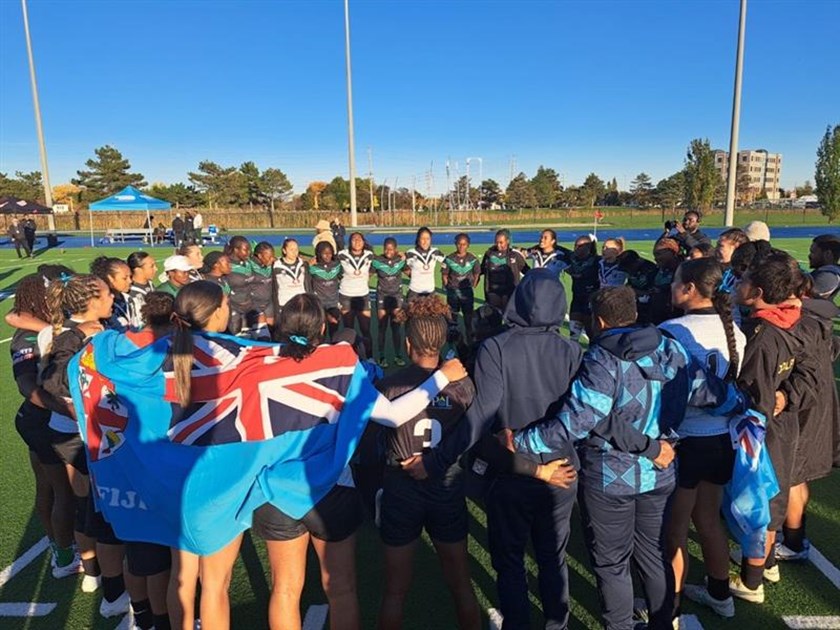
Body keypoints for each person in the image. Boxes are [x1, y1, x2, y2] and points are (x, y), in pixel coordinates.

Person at [179, 291, 466, 630]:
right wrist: (442, 377)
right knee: (341, 590)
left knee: (284, 590)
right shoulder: (340, 362)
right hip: (332, 489)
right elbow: (392, 415)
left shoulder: (257, 362)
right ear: (320, 330)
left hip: (274, 489)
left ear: (281, 327)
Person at [513, 285, 745, 630]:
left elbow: (578, 420)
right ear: (634, 314)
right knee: (653, 553)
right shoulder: (671, 347)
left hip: (610, 477)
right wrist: (743, 404)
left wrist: (522, 441)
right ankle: (662, 622)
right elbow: (708, 391)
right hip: (660, 470)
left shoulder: (602, 358)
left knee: (612, 563)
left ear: (599, 321)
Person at [403, 270, 584, 629]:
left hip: (510, 468)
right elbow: (583, 413)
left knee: (510, 559)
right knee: (553, 556)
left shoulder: (496, 347)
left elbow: (480, 415)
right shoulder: (572, 350)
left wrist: (436, 461)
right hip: (561, 468)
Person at [375, 296, 481, 630]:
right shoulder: (463, 386)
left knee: (395, 591)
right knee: (461, 583)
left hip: (400, 489)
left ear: (408, 344)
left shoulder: (389, 386)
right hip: (446, 486)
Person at [660, 258, 746, 621]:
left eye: (676, 281)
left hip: (686, 440)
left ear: (690, 288)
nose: (671, 287)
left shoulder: (672, 331)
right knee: (709, 519)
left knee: (675, 529)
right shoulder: (735, 331)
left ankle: (670, 608)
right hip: (722, 438)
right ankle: (720, 593)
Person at [40, 273, 131, 617]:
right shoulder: (77, 335)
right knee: (103, 510)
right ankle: (114, 589)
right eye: (106, 293)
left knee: (88, 504)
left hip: (79, 432)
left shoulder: (79, 329)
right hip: (86, 435)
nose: (112, 297)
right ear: (91, 301)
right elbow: (54, 381)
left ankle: (94, 575)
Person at [730, 251, 808, 603]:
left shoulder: (762, 336)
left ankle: (751, 582)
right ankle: (765, 564)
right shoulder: (787, 321)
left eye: (745, 280)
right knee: (769, 499)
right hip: (781, 425)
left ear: (758, 291)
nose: (738, 284)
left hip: (763, 431)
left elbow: (754, 394)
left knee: (759, 502)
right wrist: (786, 395)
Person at [9, 274, 78, 580]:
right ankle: (64, 554)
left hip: (39, 418)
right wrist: (63, 408)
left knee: (49, 486)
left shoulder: (46, 327)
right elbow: (27, 386)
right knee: (62, 490)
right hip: (40, 420)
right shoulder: (26, 338)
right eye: (49, 295)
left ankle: (58, 544)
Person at [122, 292, 176, 630]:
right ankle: (161, 620)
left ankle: (140, 614)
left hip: (125, 456)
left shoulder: (118, 345)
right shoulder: (171, 349)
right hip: (161, 455)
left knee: (136, 546)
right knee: (162, 558)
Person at [337, 232, 374, 357]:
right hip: (346, 296)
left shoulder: (369, 255)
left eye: (359, 239)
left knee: (366, 330)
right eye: (354, 239)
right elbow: (331, 266)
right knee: (349, 331)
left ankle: (369, 357)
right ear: (349, 242)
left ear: (363, 242)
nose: (357, 242)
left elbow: (376, 266)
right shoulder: (342, 255)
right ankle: (351, 358)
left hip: (363, 296)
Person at [372, 237, 407, 368]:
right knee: (382, 328)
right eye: (386, 248)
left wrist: (406, 257)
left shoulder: (400, 260)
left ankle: (398, 355)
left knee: (396, 328)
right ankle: (381, 356)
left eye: (391, 249)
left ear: (396, 249)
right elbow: (367, 274)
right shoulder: (377, 261)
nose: (388, 251)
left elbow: (411, 272)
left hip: (396, 297)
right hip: (382, 297)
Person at [442, 233, 481, 343]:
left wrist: (473, 284)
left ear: (468, 245)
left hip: (467, 292)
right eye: (459, 244)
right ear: (455, 244)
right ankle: (454, 343)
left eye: (464, 244)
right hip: (453, 292)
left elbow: (477, 273)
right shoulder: (449, 259)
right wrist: (448, 286)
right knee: (453, 319)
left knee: (468, 319)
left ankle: (470, 342)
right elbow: (444, 275)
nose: (461, 246)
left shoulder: (473, 259)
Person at [480, 229, 528, 311]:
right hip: (493, 294)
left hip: (510, 294)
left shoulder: (514, 255)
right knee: (494, 316)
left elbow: (526, 271)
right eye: (496, 242)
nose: (498, 245)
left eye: (501, 242)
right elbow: (481, 270)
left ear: (507, 241)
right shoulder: (489, 254)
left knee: (509, 317)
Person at [566, 235, 600, 341]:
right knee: (573, 334)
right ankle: (573, 350)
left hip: (590, 300)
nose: (576, 248)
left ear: (588, 247)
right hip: (577, 299)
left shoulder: (596, 261)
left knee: (591, 332)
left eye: (579, 246)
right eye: (575, 245)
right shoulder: (572, 258)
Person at [309, 241, 343, 340]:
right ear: (319, 253)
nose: (328, 255)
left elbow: (342, 276)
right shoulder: (313, 268)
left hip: (333, 303)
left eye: (330, 253)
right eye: (324, 253)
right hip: (319, 304)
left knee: (334, 331)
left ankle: (333, 348)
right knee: (320, 333)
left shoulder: (337, 265)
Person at [91, 256, 134, 331]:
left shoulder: (127, 298)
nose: (130, 281)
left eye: (130, 277)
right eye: (124, 278)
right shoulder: (105, 306)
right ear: (110, 278)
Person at [224, 236, 255, 334]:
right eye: (245, 250)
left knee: (248, 337)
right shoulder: (226, 265)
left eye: (249, 250)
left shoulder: (248, 263)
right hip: (234, 308)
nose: (248, 253)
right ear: (236, 250)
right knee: (236, 337)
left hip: (248, 307)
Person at [404, 227, 445, 301]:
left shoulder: (435, 252)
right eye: (422, 238)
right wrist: (410, 274)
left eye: (428, 239)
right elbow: (401, 265)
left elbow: (448, 261)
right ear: (418, 239)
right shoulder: (410, 253)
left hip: (430, 292)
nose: (425, 241)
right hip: (414, 292)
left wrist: (444, 274)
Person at [272, 238, 310, 318]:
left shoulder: (303, 264)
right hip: (284, 304)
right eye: (291, 249)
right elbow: (274, 288)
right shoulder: (276, 266)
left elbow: (308, 284)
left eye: (296, 249)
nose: (294, 252)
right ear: (284, 251)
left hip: (301, 304)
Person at [618, 250, 658, 325]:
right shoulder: (630, 269)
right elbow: (629, 285)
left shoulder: (650, 269)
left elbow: (653, 292)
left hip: (648, 306)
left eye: (629, 268)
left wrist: (635, 291)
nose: (628, 271)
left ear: (636, 262)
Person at [649, 237, 682, 324]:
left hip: (672, 316)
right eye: (655, 255)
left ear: (672, 252)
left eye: (659, 254)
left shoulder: (682, 270)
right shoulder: (659, 269)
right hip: (657, 313)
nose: (656, 258)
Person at [250, 241, 277, 336]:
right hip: (254, 304)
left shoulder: (272, 265)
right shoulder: (249, 265)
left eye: (272, 256)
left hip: (268, 303)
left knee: (271, 330)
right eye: (269, 257)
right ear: (260, 256)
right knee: (260, 334)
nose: (272, 259)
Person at [127, 252, 158, 329]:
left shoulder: (150, 284)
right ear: (138, 270)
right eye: (152, 266)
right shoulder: (130, 292)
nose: (156, 269)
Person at [808, 234, 840, 300]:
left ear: (828, 254)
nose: (809, 256)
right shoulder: (826, 271)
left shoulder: (829, 275)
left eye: (813, 252)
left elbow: (808, 297)